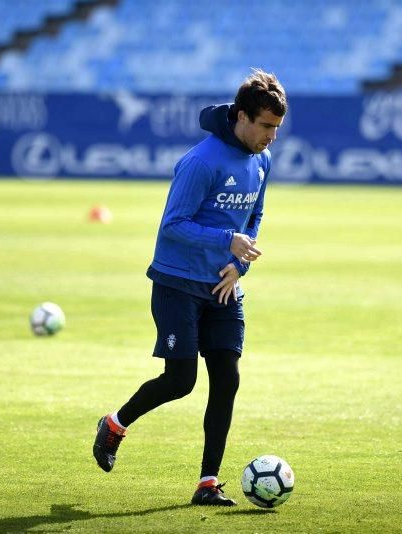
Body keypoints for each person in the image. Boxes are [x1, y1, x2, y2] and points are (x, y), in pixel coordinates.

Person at [92, 69, 287, 506]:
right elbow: (173, 225)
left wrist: (239, 264)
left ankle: (207, 483)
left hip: (223, 286)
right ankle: (114, 425)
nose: (271, 137)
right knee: (181, 381)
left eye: (277, 129)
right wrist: (226, 241)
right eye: (266, 127)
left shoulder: (262, 161)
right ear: (242, 117)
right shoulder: (201, 162)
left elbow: (253, 219)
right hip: (178, 282)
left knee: (227, 379)